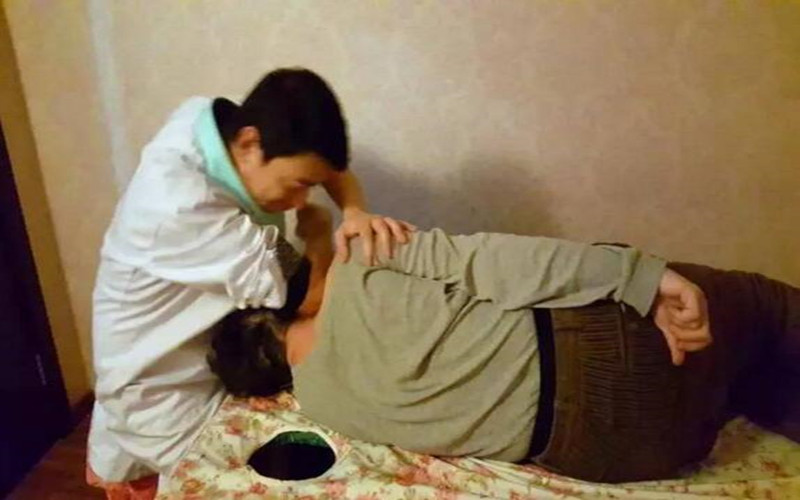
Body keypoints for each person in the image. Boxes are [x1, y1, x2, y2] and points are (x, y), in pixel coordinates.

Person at [209, 204, 799, 483]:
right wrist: (643, 277)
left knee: (749, 379)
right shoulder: (359, 261)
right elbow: (502, 262)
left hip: (622, 455)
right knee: (765, 310)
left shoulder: (320, 404)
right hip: (616, 358)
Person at [87, 68, 415, 490]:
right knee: (218, 481)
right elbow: (311, 299)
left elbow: (328, 167)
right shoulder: (189, 212)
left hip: (179, 335)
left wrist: (355, 211)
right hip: (159, 385)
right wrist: (319, 235)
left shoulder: (212, 123)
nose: (300, 200)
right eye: (296, 186)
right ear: (248, 145)